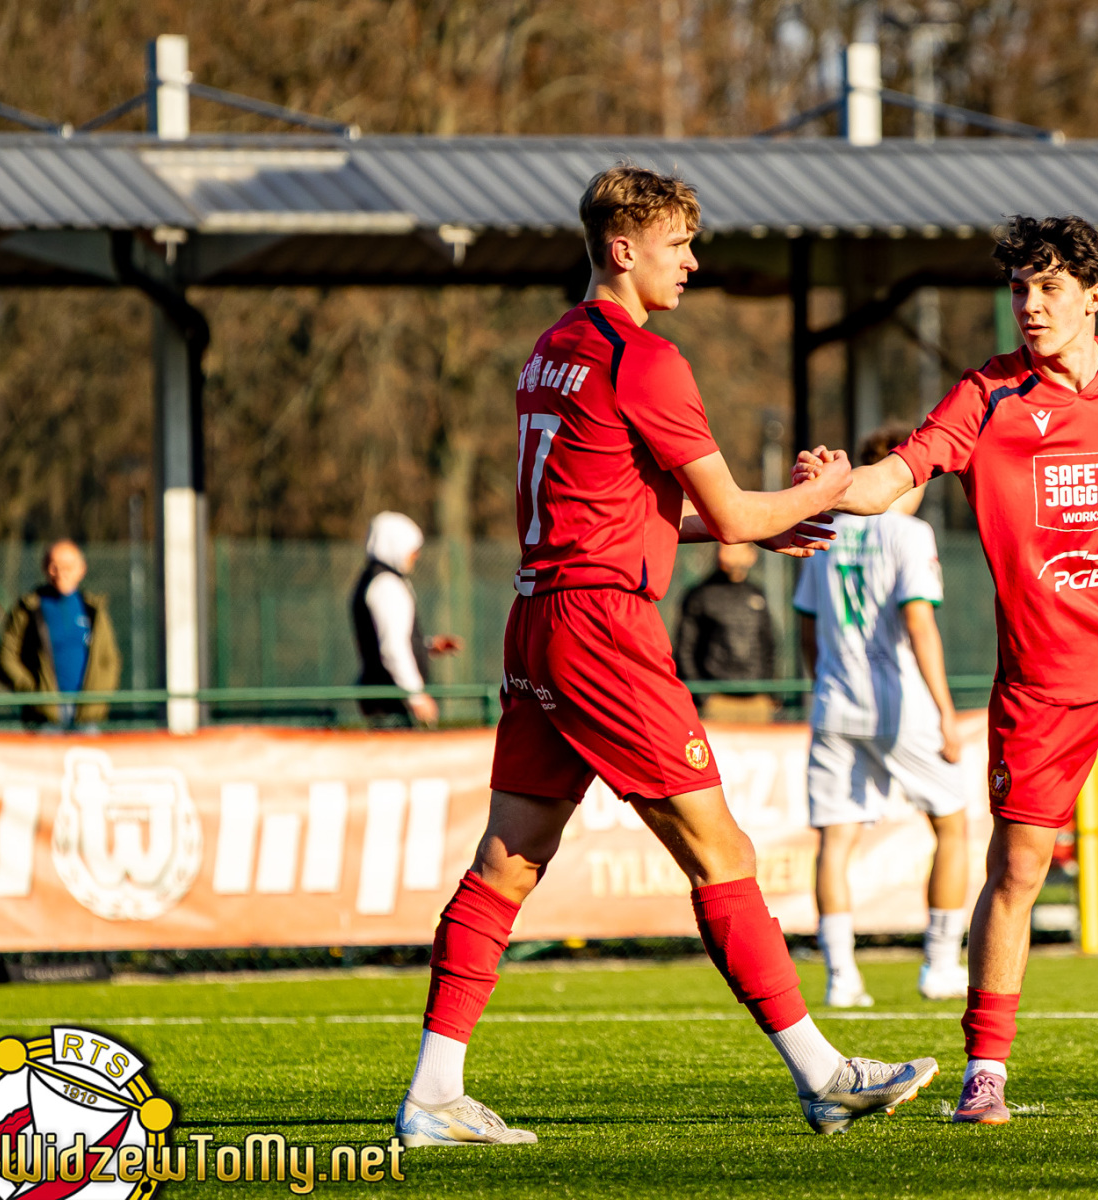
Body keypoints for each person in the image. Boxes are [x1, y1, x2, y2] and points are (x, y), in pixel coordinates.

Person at [394, 164, 935, 1148]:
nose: (690, 261)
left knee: (507, 863)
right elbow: (728, 514)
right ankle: (824, 1077)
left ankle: (434, 1093)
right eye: (677, 243)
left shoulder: (552, 349)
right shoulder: (645, 359)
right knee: (722, 855)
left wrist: (761, 523)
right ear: (622, 248)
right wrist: (830, 489)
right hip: (604, 630)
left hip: (539, 618)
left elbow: (614, 508)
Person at [798, 214, 1098, 1121]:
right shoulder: (986, 396)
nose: (1030, 305)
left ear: (1094, 296)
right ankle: (985, 1069)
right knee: (1019, 867)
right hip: (1046, 678)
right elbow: (895, 478)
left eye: (1050, 287)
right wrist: (832, 484)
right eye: (1020, 288)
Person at [796, 423, 968, 1010]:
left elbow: (807, 626)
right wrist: (945, 711)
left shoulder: (825, 528)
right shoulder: (909, 532)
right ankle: (940, 965)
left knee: (835, 841)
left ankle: (841, 976)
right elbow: (919, 621)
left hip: (835, 702)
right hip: (901, 706)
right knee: (952, 825)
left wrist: (823, 681)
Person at [0, 539, 120, 730]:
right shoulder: (29, 608)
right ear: (45, 567)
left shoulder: (94, 610)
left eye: (67, 567)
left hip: (86, 716)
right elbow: (6, 655)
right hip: (44, 718)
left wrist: (100, 694)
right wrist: (31, 689)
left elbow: (109, 659)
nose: (60, 573)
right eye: (54, 566)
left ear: (81, 569)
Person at [352, 512, 463, 728]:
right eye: (413, 549)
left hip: (386, 701)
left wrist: (426, 646)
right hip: (391, 704)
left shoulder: (376, 580)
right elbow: (392, 648)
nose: (416, 556)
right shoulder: (386, 585)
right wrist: (416, 696)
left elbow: (385, 639)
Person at [676, 541, 778, 722]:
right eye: (725, 546)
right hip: (717, 702)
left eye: (737, 547)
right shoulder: (700, 595)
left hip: (757, 700)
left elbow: (769, 645)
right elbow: (684, 650)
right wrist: (704, 697)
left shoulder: (757, 594)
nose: (728, 551)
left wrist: (770, 692)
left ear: (751, 556)